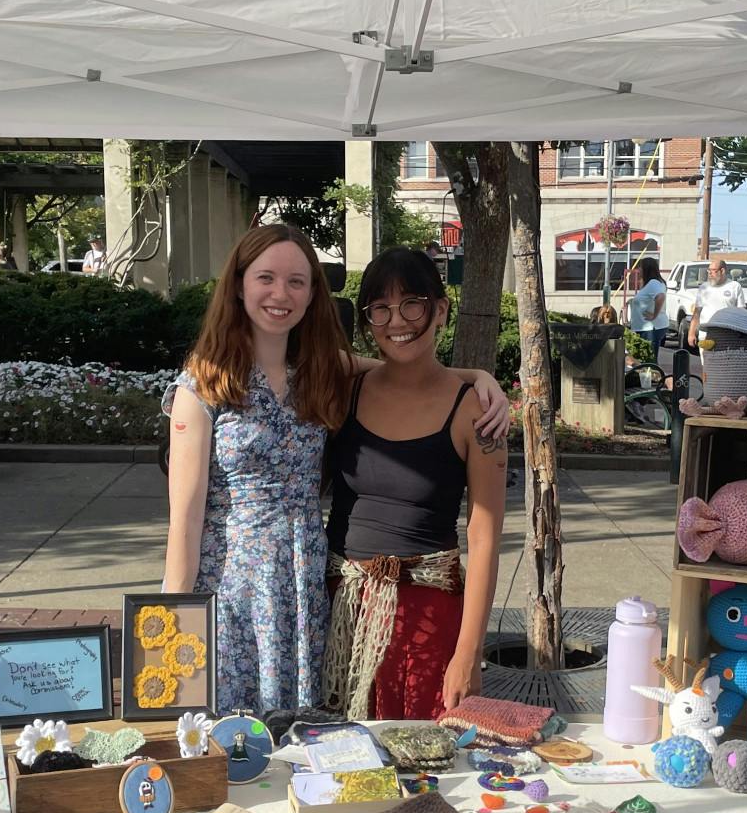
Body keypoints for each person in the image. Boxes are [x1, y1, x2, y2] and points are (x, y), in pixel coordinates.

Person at [162, 223, 510, 717]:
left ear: (311, 296)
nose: (280, 293)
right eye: (266, 278)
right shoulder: (203, 387)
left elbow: (404, 368)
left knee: (305, 745)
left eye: (296, 282)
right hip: (233, 591)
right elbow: (185, 521)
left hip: (307, 589)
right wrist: (172, 626)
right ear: (238, 285)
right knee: (223, 742)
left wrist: (479, 379)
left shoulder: (322, 373)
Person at [323, 249, 507, 720]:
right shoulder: (347, 388)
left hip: (427, 619)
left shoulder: (475, 415)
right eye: (380, 308)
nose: (396, 320)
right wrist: (477, 372)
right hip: (338, 608)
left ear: (440, 310)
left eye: (412, 304)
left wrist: (468, 651)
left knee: (424, 768)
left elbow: (484, 538)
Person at [686, 257, 746, 347]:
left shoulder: (735, 286)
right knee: (706, 361)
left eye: (713, 270)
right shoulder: (704, 287)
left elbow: (742, 312)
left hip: (727, 336)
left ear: (722, 271)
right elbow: (697, 312)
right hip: (706, 335)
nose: (710, 273)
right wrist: (691, 333)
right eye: (708, 270)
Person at [626, 256, 669, 350]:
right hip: (645, 328)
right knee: (646, 360)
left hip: (649, 329)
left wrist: (654, 315)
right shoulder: (652, 283)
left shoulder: (654, 283)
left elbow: (660, 296)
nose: (638, 270)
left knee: (648, 360)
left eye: (640, 267)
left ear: (646, 269)